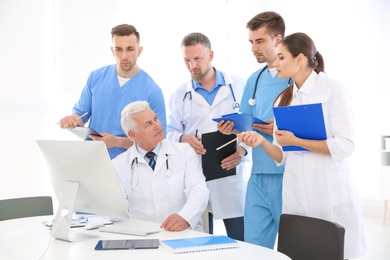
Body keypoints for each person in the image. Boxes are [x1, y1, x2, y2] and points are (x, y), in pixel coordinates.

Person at [237, 32, 366, 259]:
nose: (275, 64)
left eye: (281, 58)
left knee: (339, 251)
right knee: (302, 252)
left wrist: (297, 141)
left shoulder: (334, 90)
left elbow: (345, 146)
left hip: (330, 192)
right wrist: (260, 143)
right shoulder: (283, 99)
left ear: (299, 59)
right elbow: (281, 155)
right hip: (296, 194)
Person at [167, 32, 249, 241]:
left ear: (210, 55)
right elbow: (170, 132)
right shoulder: (180, 94)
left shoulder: (237, 86)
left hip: (230, 171)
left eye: (197, 59)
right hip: (196, 173)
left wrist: (242, 151)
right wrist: (184, 138)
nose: (192, 65)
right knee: (202, 239)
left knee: (240, 239)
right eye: (187, 60)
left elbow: (251, 127)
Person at [217, 11, 289, 248]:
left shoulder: (299, 77)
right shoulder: (254, 80)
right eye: (251, 42)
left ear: (277, 39)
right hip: (258, 174)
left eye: (259, 41)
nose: (253, 48)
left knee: (293, 244)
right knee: (253, 246)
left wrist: (277, 127)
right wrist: (236, 136)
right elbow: (245, 125)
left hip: (287, 174)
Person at [59, 24, 166, 159]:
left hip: (131, 165)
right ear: (112, 51)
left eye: (130, 49)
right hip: (93, 158)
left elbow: (157, 141)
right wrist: (71, 120)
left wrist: (117, 142)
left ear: (139, 51)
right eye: (119, 49)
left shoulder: (152, 91)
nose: (124, 56)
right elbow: (80, 116)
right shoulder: (95, 78)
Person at [112, 100, 209, 232]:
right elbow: (118, 211)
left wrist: (185, 217)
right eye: (148, 124)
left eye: (155, 119)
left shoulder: (185, 151)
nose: (157, 125)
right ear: (132, 135)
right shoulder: (118, 165)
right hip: (142, 235)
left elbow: (199, 190)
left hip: (183, 233)